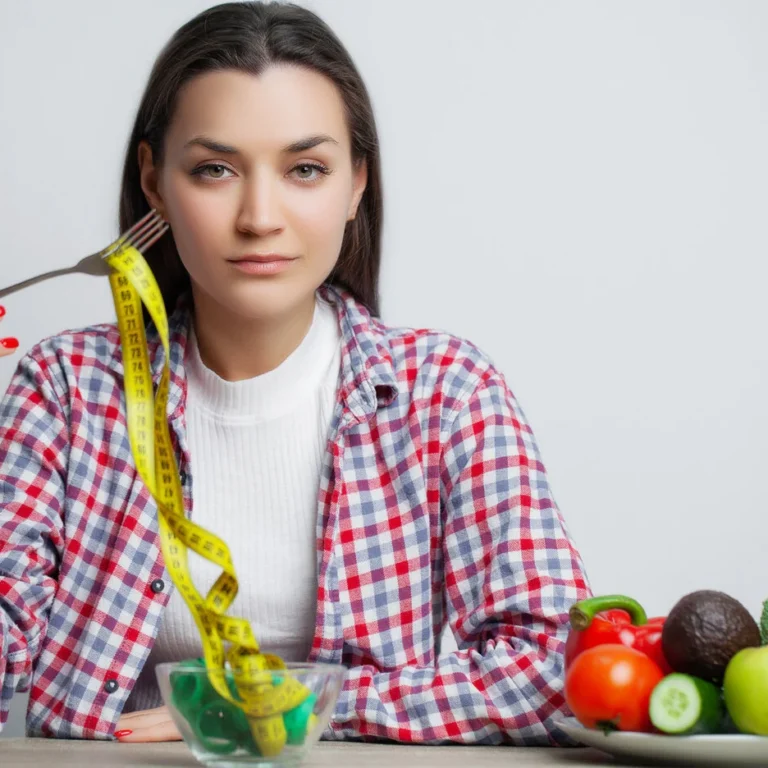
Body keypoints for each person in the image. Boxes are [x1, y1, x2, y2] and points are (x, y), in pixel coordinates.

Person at [0, 0, 590, 747]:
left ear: (356, 185)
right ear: (154, 181)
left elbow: (554, 671)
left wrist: (300, 708)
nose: (259, 215)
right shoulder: (66, 389)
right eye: (214, 169)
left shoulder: (446, 391)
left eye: (306, 169)